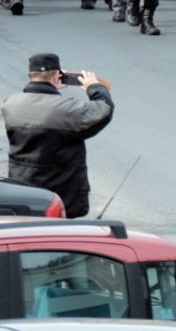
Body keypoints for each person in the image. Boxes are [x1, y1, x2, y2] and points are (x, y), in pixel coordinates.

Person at [2, 53, 114, 219]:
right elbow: (102, 110)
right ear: (57, 75)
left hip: (24, 189)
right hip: (62, 193)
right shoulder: (66, 109)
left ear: (30, 76)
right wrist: (94, 87)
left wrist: (51, 87)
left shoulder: (10, 103)